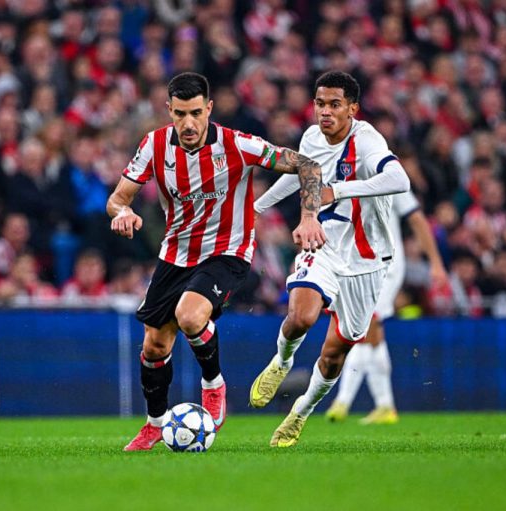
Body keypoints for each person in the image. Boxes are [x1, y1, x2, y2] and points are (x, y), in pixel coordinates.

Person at [106, 72, 326, 451]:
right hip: (176, 254)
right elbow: (118, 198)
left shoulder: (237, 144)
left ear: (209, 108)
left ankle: (213, 385)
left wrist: (309, 217)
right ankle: (154, 425)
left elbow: (308, 166)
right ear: (169, 110)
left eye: (196, 113)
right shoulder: (154, 145)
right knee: (154, 347)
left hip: (228, 251)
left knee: (190, 316)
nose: (188, 123)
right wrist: (122, 213)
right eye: (180, 114)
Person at [249, 71, 410, 447]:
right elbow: (300, 176)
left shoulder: (367, 141)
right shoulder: (311, 137)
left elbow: (399, 180)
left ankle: (300, 412)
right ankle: (282, 361)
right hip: (323, 242)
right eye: (320, 103)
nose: (325, 111)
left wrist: (336, 190)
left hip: (367, 260)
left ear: (352, 108)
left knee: (336, 352)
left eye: (335, 104)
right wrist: (256, 207)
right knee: (301, 316)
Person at [325, 191, 448, 424]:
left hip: (385, 266)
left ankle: (342, 401)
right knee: (373, 334)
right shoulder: (346, 176)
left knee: (364, 328)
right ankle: (385, 405)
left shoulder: (390, 176)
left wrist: (436, 263)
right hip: (357, 265)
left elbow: (417, 219)